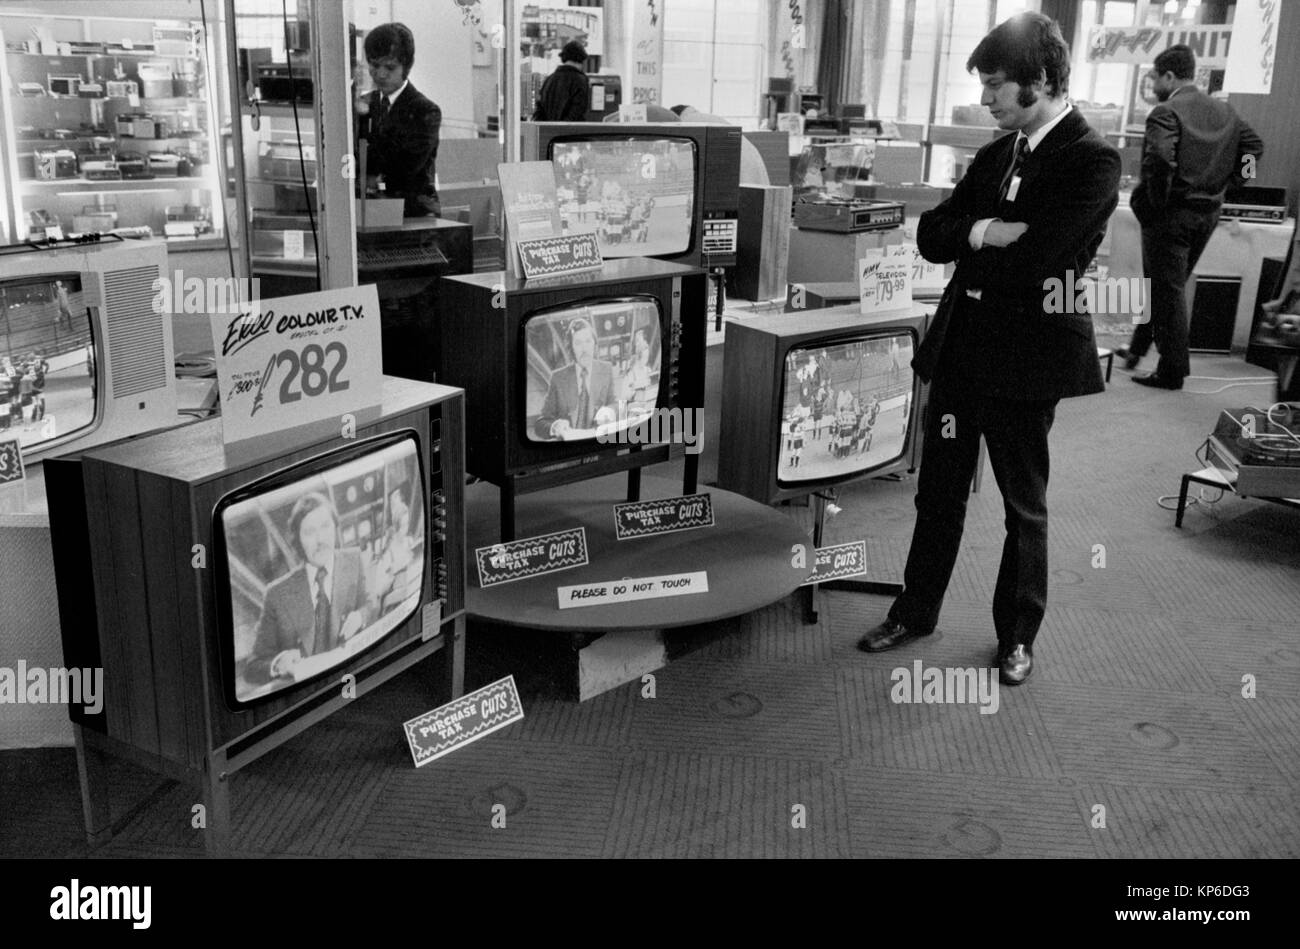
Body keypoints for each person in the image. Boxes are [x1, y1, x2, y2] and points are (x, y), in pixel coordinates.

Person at [857, 13, 1121, 687]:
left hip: (1028, 363)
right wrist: (981, 231)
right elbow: (930, 233)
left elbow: (1038, 262)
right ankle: (915, 611)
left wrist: (984, 245)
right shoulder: (995, 154)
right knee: (937, 493)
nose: (987, 101)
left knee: (1021, 505)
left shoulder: (1091, 159)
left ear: (1041, 79)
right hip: (963, 352)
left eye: (998, 86)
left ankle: (1017, 637)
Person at [1115, 45, 1264, 390]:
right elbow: (1254, 148)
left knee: (1167, 291)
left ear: (1169, 76)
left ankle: (1172, 371)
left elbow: (1160, 162)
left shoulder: (1165, 112)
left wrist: (1156, 203)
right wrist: (1236, 181)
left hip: (1169, 216)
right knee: (1166, 287)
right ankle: (1137, 349)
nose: (1152, 85)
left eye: (1154, 77)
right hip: (1207, 215)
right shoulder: (1226, 112)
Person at [245, 493, 376, 685]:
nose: (320, 539)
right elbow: (252, 668)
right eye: (309, 532)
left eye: (325, 526)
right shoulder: (276, 594)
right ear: (298, 540)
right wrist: (279, 664)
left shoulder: (354, 560)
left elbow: (370, 603)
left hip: (352, 678)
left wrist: (361, 616)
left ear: (335, 528)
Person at [357, 23, 441, 217]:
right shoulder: (363, 105)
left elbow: (404, 169)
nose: (381, 74)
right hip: (370, 211)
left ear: (407, 66)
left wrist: (372, 174)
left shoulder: (425, 110)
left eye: (390, 67)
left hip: (414, 215)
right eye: (374, 65)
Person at [535, 317, 616, 438]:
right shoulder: (558, 378)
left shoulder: (606, 369)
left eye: (588, 341)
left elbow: (614, 402)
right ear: (571, 348)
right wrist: (555, 427)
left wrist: (610, 411)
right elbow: (540, 423)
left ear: (595, 344)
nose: (585, 349)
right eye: (578, 343)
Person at [533, 40, 590, 122]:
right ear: (581, 60)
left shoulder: (550, 79)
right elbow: (578, 111)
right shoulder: (580, 80)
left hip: (548, 131)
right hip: (569, 132)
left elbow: (539, 109)